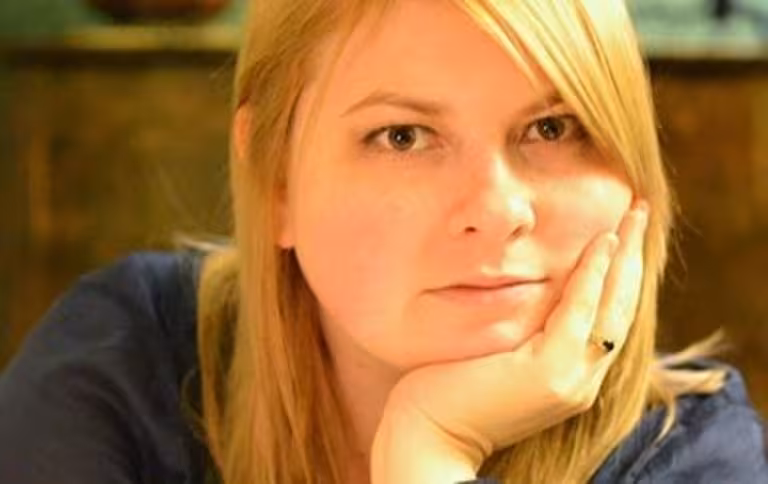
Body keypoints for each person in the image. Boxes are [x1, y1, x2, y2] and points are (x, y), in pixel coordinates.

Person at [0, 0, 766, 482]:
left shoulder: (694, 458)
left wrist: (429, 450)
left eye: (553, 128)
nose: (498, 211)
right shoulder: (127, 358)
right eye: (403, 136)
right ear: (275, 180)